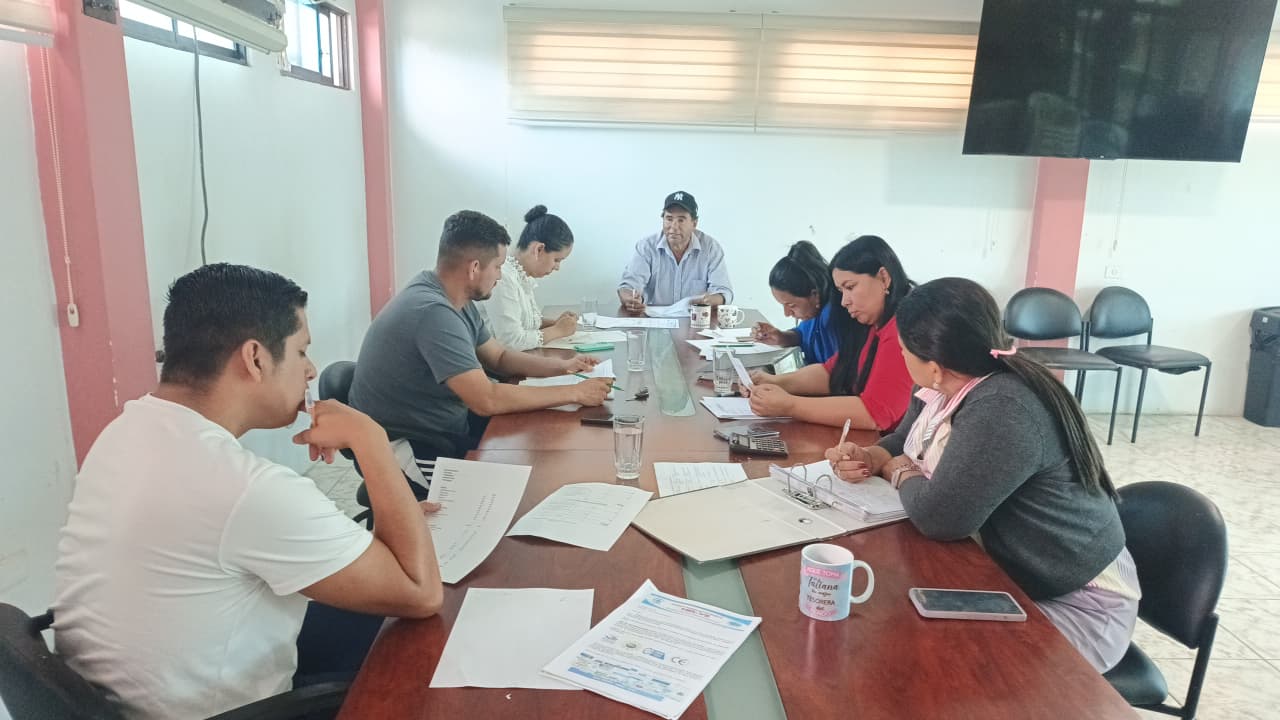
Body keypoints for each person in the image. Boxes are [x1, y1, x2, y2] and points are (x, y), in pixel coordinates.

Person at [53, 264, 445, 719]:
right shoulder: (246, 488)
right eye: (301, 351)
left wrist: (396, 515)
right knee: (426, 639)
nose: (310, 370)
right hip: (227, 710)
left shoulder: (126, 431)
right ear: (255, 358)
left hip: (125, 702)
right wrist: (371, 440)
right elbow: (421, 593)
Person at [824, 277, 1140, 673]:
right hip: (1014, 575)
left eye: (903, 350)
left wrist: (898, 470)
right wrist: (871, 456)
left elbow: (940, 517)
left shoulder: (1002, 407)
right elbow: (904, 438)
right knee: (901, 626)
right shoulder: (944, 385)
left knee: (940, 663)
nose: (901, 356)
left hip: (1077, 601)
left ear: (934, 366)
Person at [349, 210, 612, 462]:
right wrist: (574, 392)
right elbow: (487, 399)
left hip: (447, 423)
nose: (500, 275)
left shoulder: (454, 298)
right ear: (475, 267)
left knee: (535, 445)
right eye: (497, 267)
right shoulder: (434, 313)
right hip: (412, 443)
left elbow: (499, 357)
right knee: (524, 467)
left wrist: (563, 368)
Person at [745, 235, 913, 431]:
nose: (844, 301)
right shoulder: (872, 324)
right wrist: (773, 382)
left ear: (884, 278)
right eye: (841, 291)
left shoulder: (903, 329)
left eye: (850, 287)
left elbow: (874, 414)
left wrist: (790, 405)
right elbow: (833, 371)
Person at [480, 205, 580, 351]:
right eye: (557, 260)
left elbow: (525, 323)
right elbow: (511, 342)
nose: (557, 267)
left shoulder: (521, 274)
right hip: (496, 363)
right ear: (539, 249)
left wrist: (557, 324)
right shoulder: (503, 278)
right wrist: (557, 330)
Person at [617, 190, 733, 311]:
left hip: (695, 317)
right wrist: (631, 299)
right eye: (669, 219)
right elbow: (628, 285)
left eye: (681, 220)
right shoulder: (646, 247)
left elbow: (723, 292)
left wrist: (708, 300)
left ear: (694, 223)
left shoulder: (710, 248)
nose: (674, 226)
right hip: (653, 318)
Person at [751, 240, 858, 365]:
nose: (787, 313)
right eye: (783, 305)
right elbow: (802, 334)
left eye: (791, 305)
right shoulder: (815, 310)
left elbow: (835, 372)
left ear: (814, 294)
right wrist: (781, 337)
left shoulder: (834, 317)